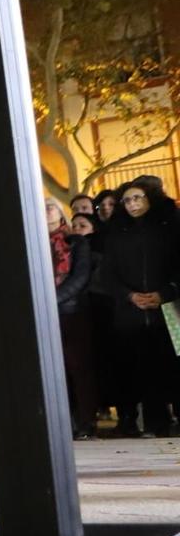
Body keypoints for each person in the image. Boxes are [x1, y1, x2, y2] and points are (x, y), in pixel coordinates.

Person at [97, 181, 177, 437]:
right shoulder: (117, 233)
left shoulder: (169, 228)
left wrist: (165, 293)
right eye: (127, 200)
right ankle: (154, 423)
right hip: (131, 312)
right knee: (143, 368)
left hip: (169, 309)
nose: (132, 204)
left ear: (150, 199)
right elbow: (108, 275)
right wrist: (130, 296)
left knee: (173, 365)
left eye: (137, 198)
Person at [48, 200, 99, 439]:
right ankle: (62, 422)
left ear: (61, 214)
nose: (45, 210)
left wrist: (52, 299)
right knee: (53, 372)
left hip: (72, 310)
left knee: (79, 368)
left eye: (50, 206)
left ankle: (86, 421)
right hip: (44, 317)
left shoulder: (75, 242)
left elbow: (80, 276)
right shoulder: (30, 242)